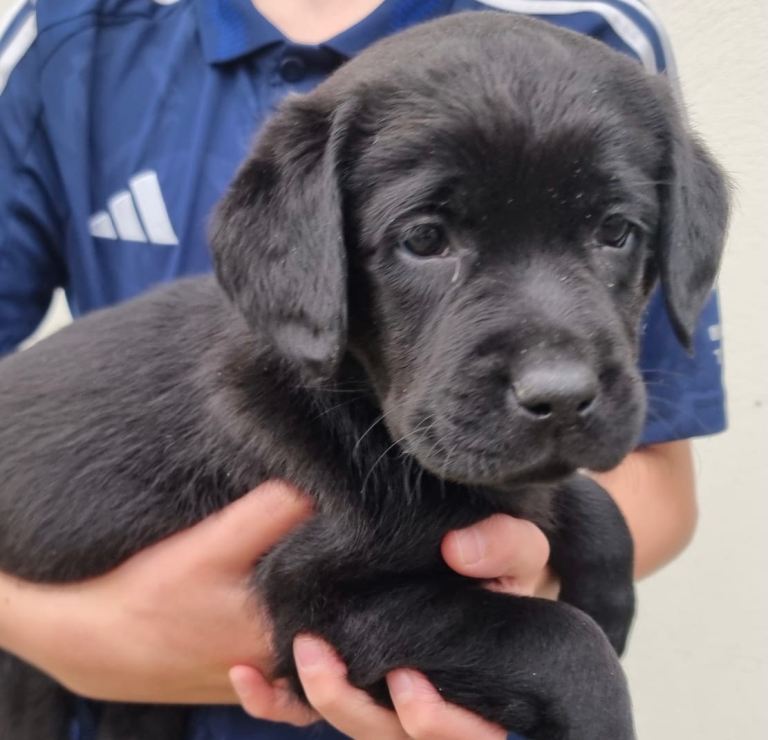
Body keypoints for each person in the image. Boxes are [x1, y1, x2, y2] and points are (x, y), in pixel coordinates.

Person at [0, 1, 725, 738]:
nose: (555, 376)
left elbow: (653, 486)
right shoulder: (76, 37)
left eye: (613, 231)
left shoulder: (602, 36)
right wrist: (57, 634)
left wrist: (571, 556)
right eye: (426, 237)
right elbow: (339, 598)